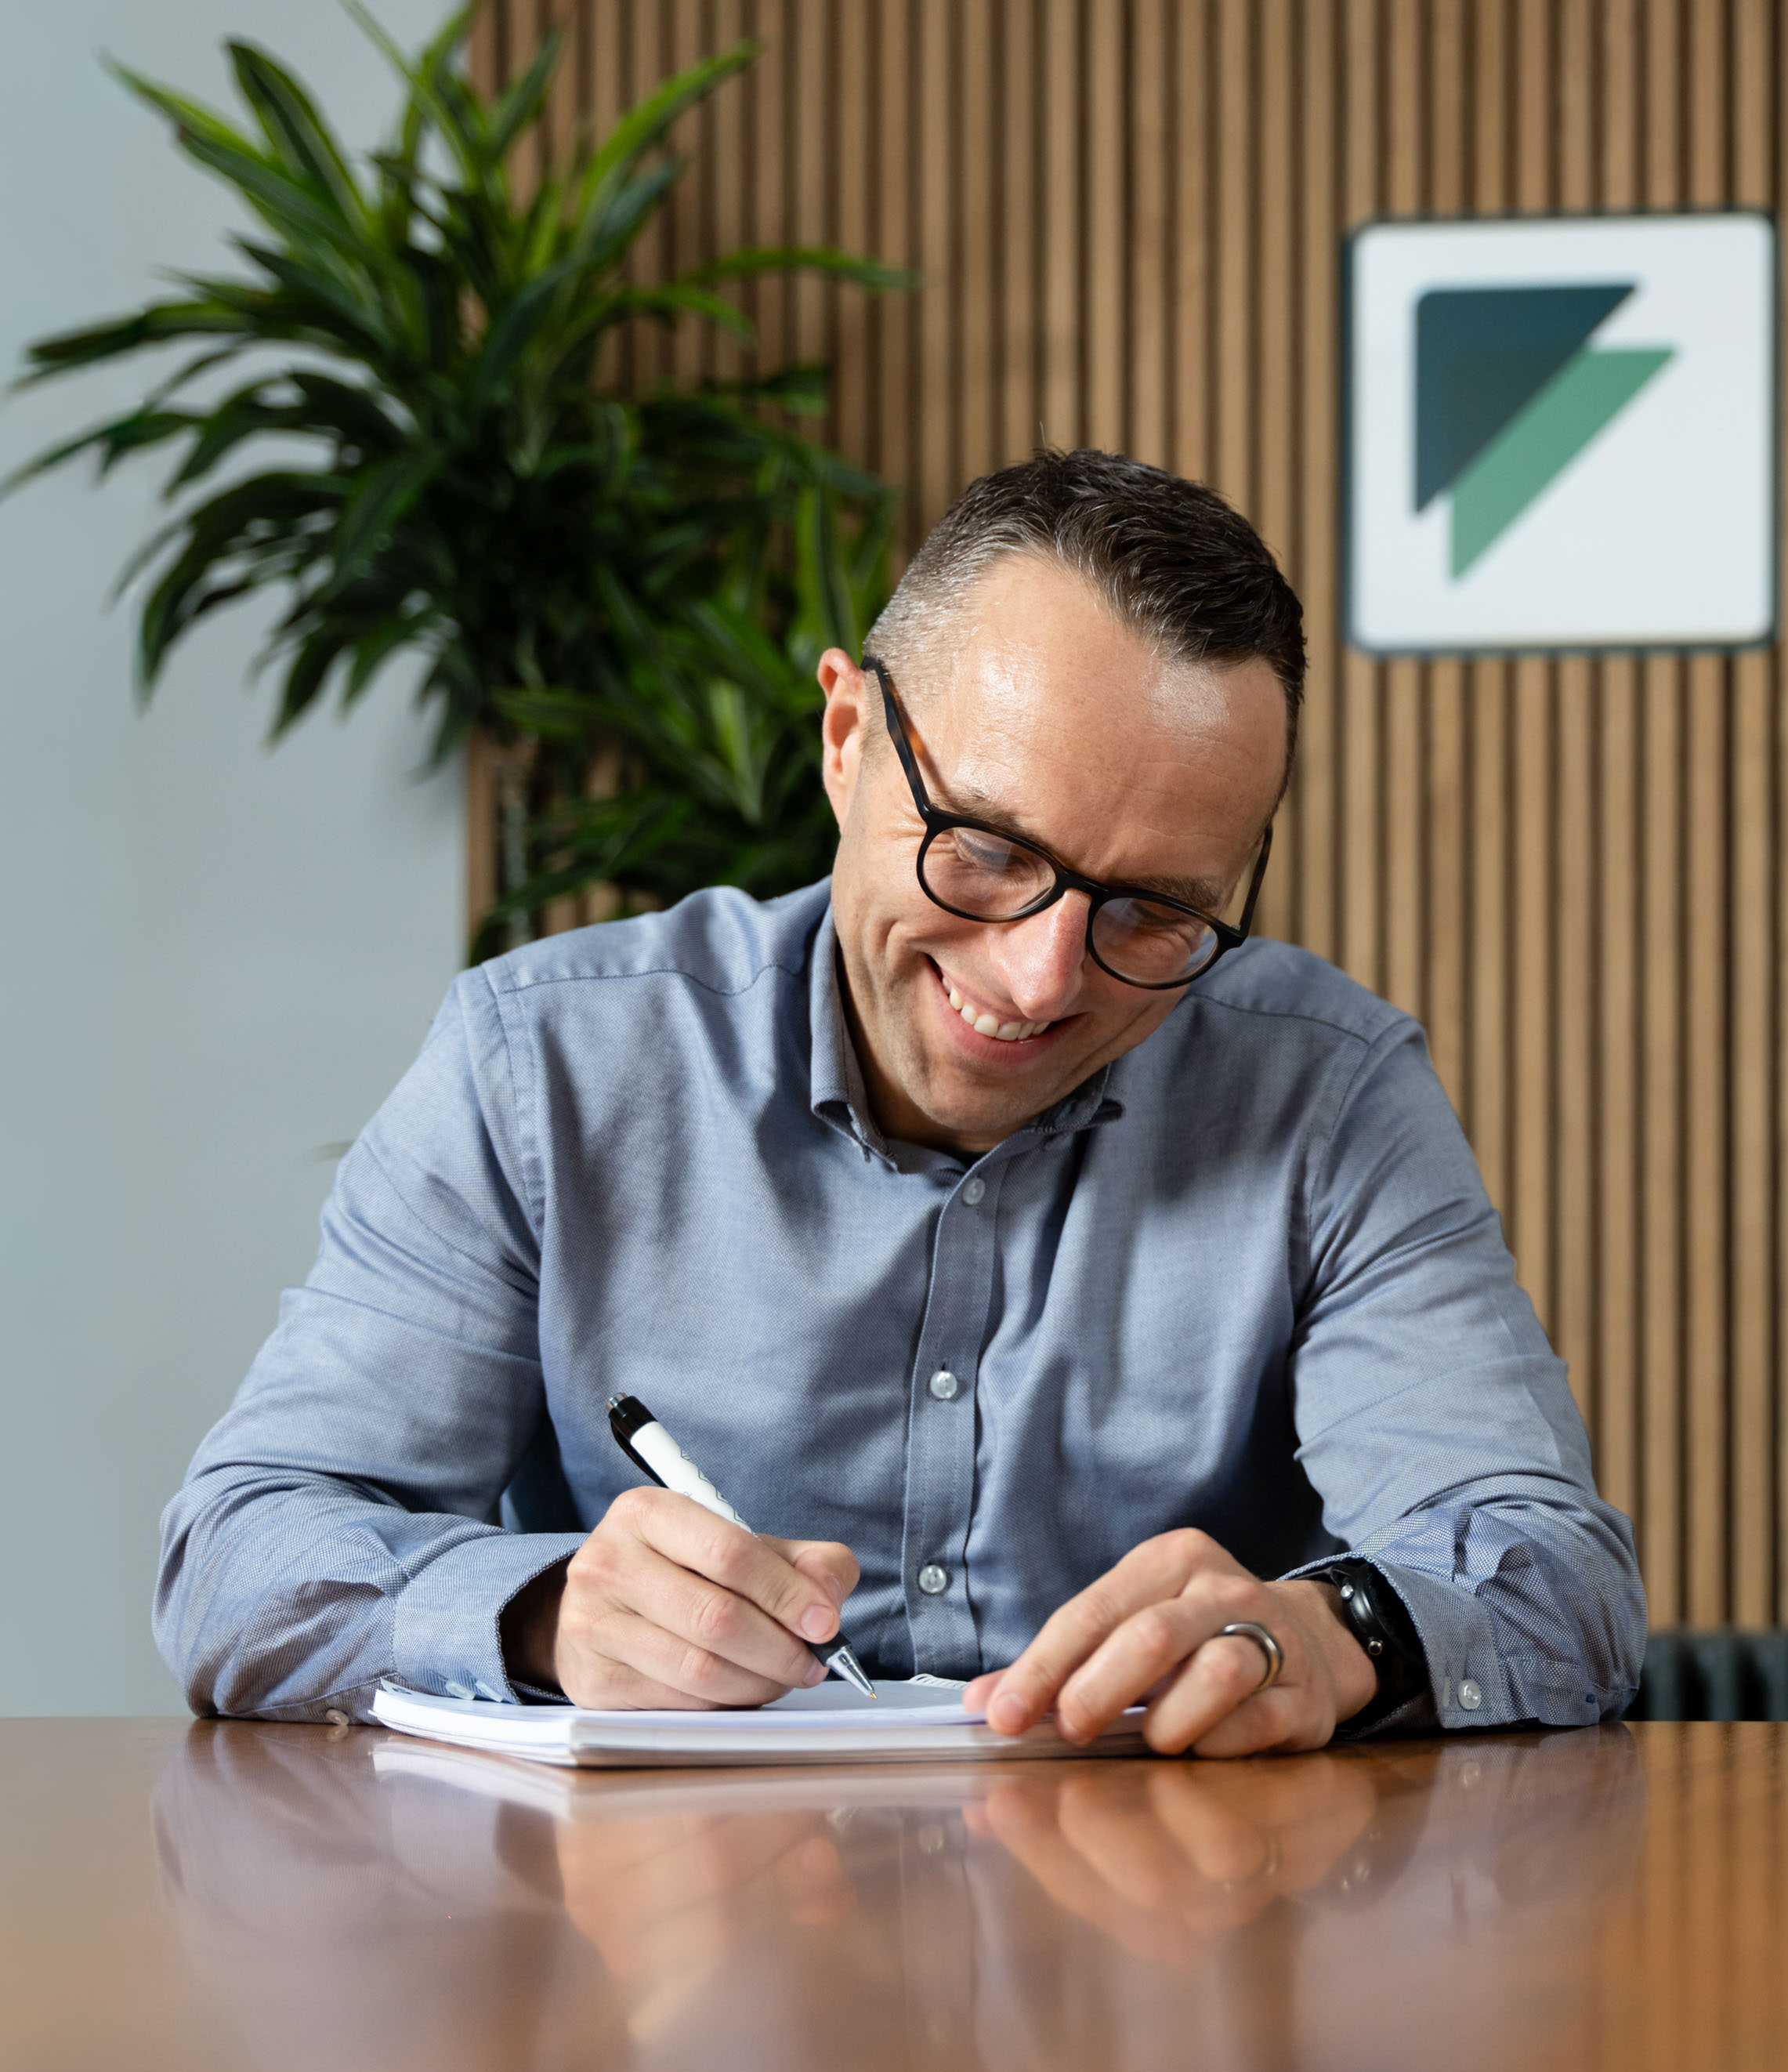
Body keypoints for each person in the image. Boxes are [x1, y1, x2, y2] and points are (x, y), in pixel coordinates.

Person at [156, 448, 1644, 1755]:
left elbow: (1552, 1577)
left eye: (1154, 911)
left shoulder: (1327, 1093)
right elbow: (240, 1559)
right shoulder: (542, 1066)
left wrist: (1329, 1638)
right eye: (989, 850)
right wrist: (544, 1613)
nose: (1044, 976)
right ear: (848, 741)